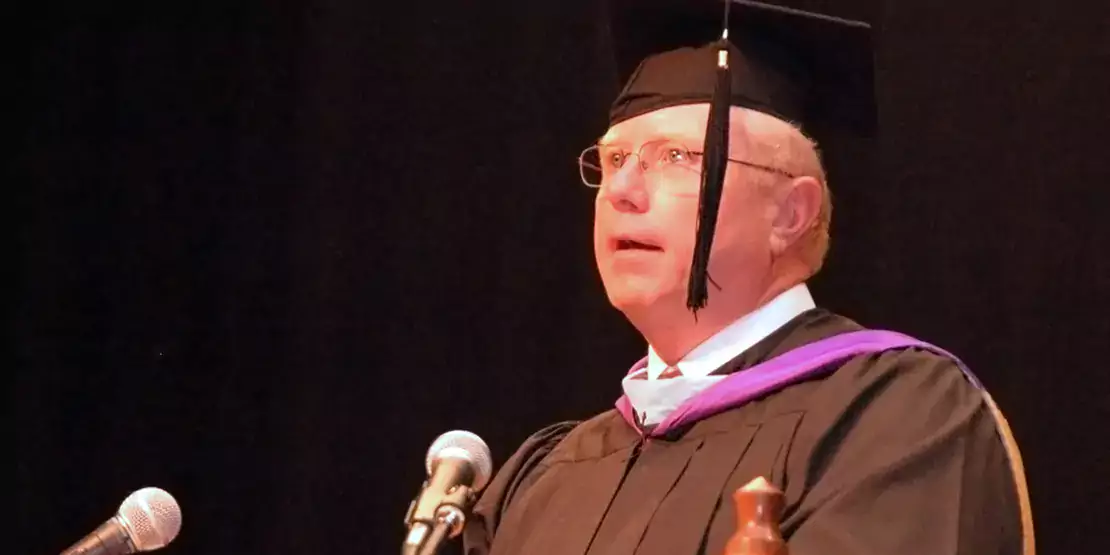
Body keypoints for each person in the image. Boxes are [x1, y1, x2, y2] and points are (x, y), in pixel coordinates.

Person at [461, 1, 1034, 554]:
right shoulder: (545, 476)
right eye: (613, 161)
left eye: (678, 157)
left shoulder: (898, 418)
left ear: (790, 214)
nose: (620, 192)